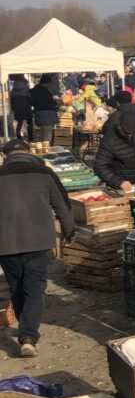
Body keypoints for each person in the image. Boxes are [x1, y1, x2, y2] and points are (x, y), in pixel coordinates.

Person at [0, 139, 74, 357]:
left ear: (6, 156)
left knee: (16, 286)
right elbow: (63, 203)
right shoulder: (45, 173)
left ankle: (26, 328)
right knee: (35, 287)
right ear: (29, 152)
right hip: (39, 240)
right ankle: (29, 336)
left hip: (6, 242)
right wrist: (69, 232)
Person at [94, 108, 135, 191]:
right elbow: (100, 166)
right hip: (120, 187)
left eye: (132, 133)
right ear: (119, 126)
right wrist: (119, 182)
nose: (129, 136)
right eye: (126, 133)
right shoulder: (109, 141)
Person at [30, 75, 59, 144]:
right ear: (46, 83)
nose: (50, 85)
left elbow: (32, 101)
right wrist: (55, 102)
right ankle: (46, 151)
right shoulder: (44, 92)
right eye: (49, 83)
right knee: (47, 136)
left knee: (42, 134)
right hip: (47, 116)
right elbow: (49, 102)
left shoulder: (34, 90)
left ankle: (42, 149)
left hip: (39, 115)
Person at [9, 75, 32, 141]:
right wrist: (31, 104)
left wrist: (13, 108)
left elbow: (11, 100)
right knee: (29, 122)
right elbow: (30, 98)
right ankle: (30, 137)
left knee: (19, 123)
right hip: (27, 108)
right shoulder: (26, 88)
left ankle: (19, 137)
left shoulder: (13, 90)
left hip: (17, 109)